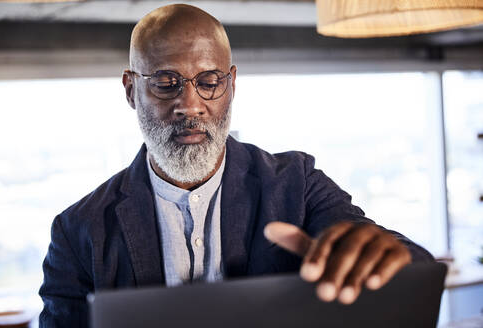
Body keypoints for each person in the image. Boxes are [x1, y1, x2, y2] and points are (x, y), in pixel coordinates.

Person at [39, 4, 433, 327]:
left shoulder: (297, 184)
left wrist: (383, 259)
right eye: (165, 82)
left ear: (231, 84)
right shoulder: (77, 232)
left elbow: (407, 269)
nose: (190, 105)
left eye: (209, 81)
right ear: (131, 90)